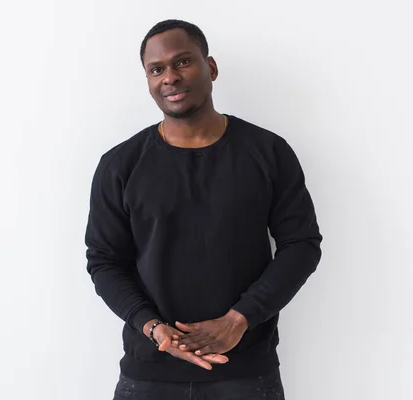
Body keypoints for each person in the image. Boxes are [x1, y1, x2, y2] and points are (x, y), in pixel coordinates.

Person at [85, 19, 322, 400]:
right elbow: (104, 260)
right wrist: (153, 328)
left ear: (210, 67)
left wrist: (239, 319)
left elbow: (302, 244)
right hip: (150, 371)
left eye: (182, 62)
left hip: (245, 372)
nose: (170, 78)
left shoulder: (267, 152)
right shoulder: (120, 165)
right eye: (156, 69)